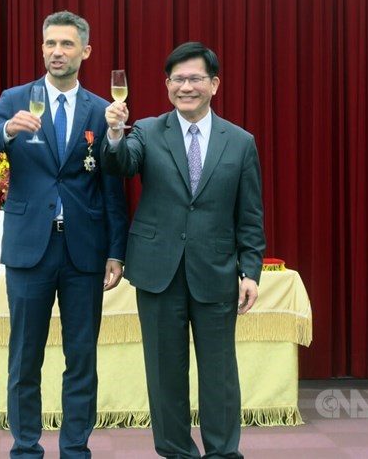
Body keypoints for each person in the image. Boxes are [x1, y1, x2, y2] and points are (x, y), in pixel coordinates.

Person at [0, 10, 128, 459]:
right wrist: (5, 130)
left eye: (67, 45)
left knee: (81, 359)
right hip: (29, 250)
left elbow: (112, 185)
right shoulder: (16, 98)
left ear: (85, 52)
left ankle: (76, 448)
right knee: (25, 357)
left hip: (84, 253)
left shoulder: (100, 109)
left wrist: (117, 251)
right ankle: (26, 448)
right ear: (41, 49)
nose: (58, 52)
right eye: (51, 44)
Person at [102, 42, 265, 458]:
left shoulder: (240, 142)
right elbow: (121, 162)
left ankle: (224, 453)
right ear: (167, 85)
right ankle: (176, 452)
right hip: (159, 272)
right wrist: (116, 133)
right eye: (178, 79)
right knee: (164, 375)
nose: (186, 87)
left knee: (220, 375)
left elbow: (249, 216)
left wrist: (251, 271)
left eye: (195, 79)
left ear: (214, 84)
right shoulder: (147, 130)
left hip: (216, 271)